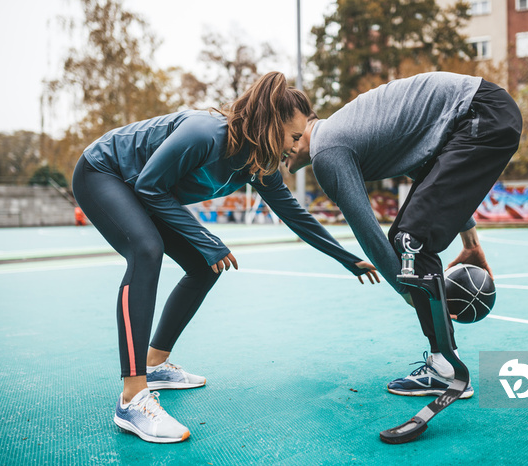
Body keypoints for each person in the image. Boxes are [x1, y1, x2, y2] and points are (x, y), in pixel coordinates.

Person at [72, 72, 379, 444]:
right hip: (102, 172)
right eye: (294, 137)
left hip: (143, 188)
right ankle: (132, 397)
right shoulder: (205, 134)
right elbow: (148, 185)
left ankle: (154, 364)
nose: (297, 147)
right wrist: (206, 237)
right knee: (146, 250)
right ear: (270, 125)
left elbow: (296, 215)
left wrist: (347, 258)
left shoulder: (259, 165)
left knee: (204, 266)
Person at [283, 71, 522, 399]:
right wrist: (470, 241)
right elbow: (427, 176)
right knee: (409, 237)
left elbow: (367, 230)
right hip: (486, 112)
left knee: (410, 241)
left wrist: (407, 290)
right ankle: (444, 362)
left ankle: (446, 368)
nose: (277, 150)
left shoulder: (327, 149)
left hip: (480, 114)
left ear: (296, 127)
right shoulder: (351, 131)